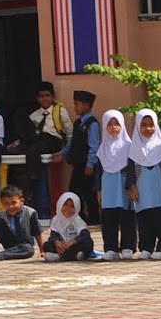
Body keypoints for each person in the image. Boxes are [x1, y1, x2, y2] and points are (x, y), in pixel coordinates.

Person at [129, 108, 161, 259]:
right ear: (137, 126)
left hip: (159, 191)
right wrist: (132, 186)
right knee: (144, 220)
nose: (148, 128)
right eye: (144, 125)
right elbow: (130, 171)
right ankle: (146, 248)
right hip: (142, 191)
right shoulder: (134, 149)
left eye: (151, 125)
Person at [21, 83, 71, 213]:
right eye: (41, 96)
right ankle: (31, 182)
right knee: (30, 149)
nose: (44, 99)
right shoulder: (34, 116)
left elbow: (69, 133)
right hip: (39, 141)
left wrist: (65, 152)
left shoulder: (60, 111)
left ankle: (33, 179)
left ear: (53, 97)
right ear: (37, 99)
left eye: (47, 96)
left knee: (34, 150)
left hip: (54, 140)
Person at [95, 111, 137, 260]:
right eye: (110, 124)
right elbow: (98, 171)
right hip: (108, 187)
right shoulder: (102, 148)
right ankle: (111, 248)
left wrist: (131, 184)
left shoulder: (129, 146)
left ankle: (127, 247)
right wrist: (99, 189)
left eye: (117, 124)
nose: (113, 127)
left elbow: (132, 167)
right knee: (108, 218)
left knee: (127, 216)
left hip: (123, 185)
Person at [63, 91, 101, 223]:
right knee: (75, 190)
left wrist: (90, 165)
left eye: (77, 104)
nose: (75, 107)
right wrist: (62, 153)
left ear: (86, 105)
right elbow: (72, 142)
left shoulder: (92, 123)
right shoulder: (78, 122)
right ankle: (80, 216)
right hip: (78, 164)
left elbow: (94, 145)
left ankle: (94, 217)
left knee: (88, 192)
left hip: (86, 165)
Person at [0, 185, 44, 261]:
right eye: (6, 203)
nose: (11, 207)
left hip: (25, 245)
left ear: (22, 201)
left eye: (14, 203)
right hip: (9, 244)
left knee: (29, 250)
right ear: (2, 203)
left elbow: (37, 232)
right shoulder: (2, 215)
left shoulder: (30, 213)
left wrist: (42, 250)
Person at [45, 192, 97, 261]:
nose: (68, 208)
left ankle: (61, 257)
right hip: (62, 246)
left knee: (88, 243)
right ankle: (71, 256)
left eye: (72, 206)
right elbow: (53, 235)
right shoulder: (56, 219)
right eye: (65, 205)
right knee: (46, 245)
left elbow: (85, 234)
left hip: (74, 246)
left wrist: (71, 243)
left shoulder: (77, 220)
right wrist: (57, 242)